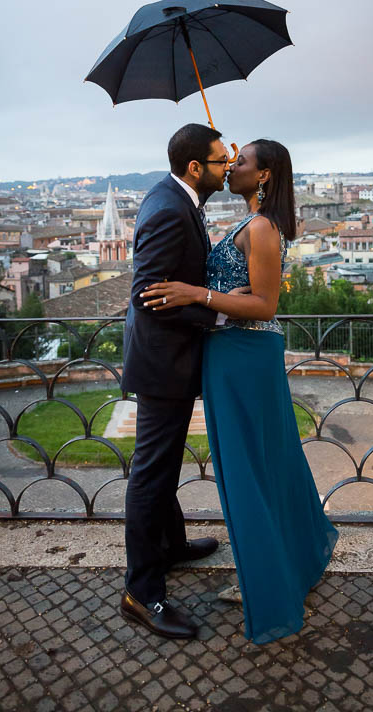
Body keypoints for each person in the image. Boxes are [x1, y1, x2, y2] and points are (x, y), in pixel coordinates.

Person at [143, 139, 339, 644]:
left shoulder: (261, 227)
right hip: (231, 356)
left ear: (266, 175)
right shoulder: (248, 223)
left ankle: (268, 582)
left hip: (245, 357)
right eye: (228, 160)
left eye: (242, 162)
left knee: (249, 471)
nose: (232, 167)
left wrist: (196, 294)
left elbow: (266, 305)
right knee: (262, 464)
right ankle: (280, 562)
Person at [120, 123, 230, 640]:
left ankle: (172, 546)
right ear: (195, 168)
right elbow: (150, 293)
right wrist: (217, 316)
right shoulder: (169, 208)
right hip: (164, 364)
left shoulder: (174, 198)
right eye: (219, 161)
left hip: (167, 360)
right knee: (151, 473)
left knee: (161, 467)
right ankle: (142, 593)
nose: (227, 166)